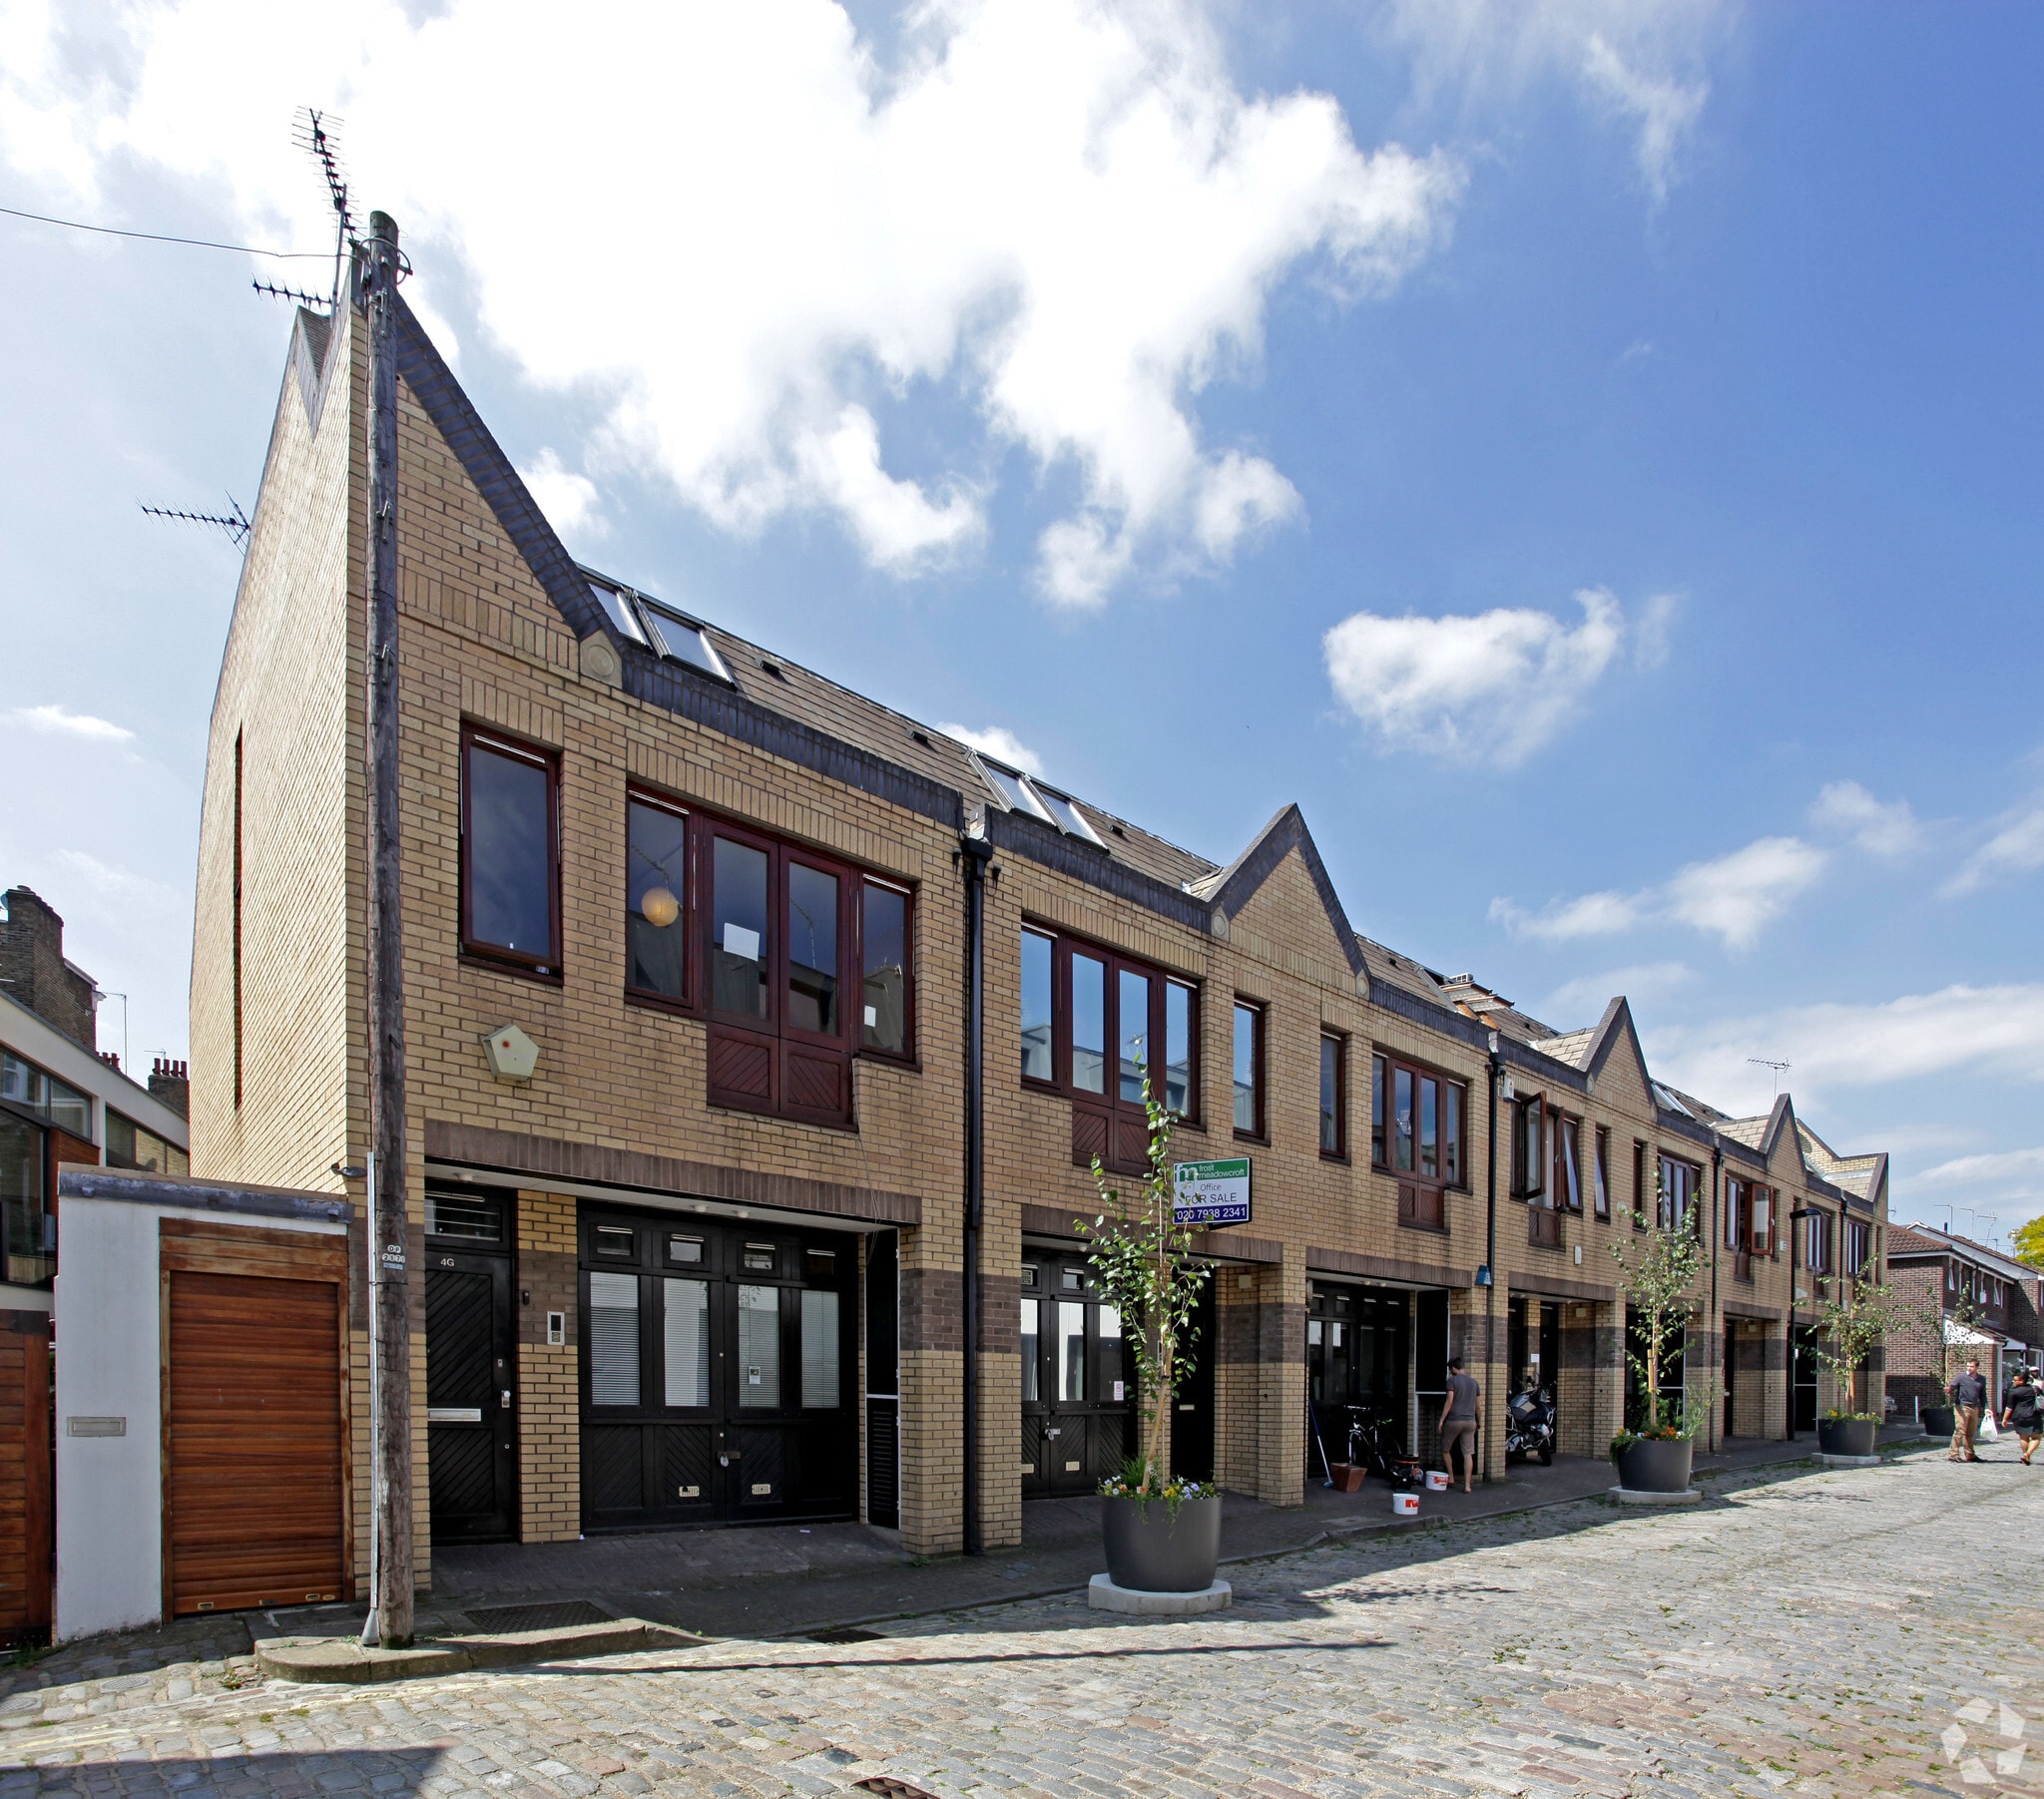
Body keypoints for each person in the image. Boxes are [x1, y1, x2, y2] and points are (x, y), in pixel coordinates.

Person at [1439, 1355, 1481, 1493]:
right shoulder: (1474, 1383)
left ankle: (1451, 1477)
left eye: (1450, 1369)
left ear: (1453, 1368)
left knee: (1445, 1449)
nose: (1450, 1372)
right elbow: (1478, 1406)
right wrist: (1479, 1421)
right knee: (1467, 1453)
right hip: (1470, 1421)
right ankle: (1467, 1485)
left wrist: (1441, 1420)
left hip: (1454, 1420)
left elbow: (1449, 1401)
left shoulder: (1452, 1381)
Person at [1948, 1357, 1990, 1462]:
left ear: (1977, 1367)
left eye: (1971, 1366)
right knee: (1960, 1430)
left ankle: (1970, 1454)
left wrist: (1986, 1408)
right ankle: (1953, 1454)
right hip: (1962, 1406)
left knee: (1970, 1432)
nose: (1969, 1368)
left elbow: (1983, 1395)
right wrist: (1949, 1389)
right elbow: (1952, 1386)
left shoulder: (1981, 1379)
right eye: (1967, 1366)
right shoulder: (1961, 1377)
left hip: (1974, 1407)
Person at [2002, 1367, 2042, 1468]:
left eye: (2015, 1380)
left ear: (2021, 1381)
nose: (2013, 1381)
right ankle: (2027, 1454)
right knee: (2036, 1437)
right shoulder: (2034, 1389)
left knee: (2023, 1437)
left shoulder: (2013, 1391)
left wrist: (2005, 1419)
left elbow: (2009, 1407)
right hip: (2034, 1415)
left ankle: (2026, 1457)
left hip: (2019, 1416)